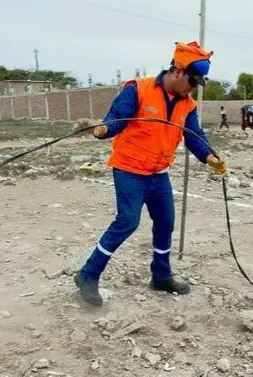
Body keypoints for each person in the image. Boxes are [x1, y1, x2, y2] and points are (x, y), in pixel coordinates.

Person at [73, 41, 228, 307]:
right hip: (129, 170)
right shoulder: (138, 89)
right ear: (178, 72)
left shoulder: (187, 105)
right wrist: (100, 130)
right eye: (192, 82)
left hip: (158, 173)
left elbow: (194, 136)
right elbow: (116, 119)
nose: (193, 89)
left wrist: (210, 157)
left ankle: (161, 276)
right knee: (128, 221)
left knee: (166, 222)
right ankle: (87, 274)